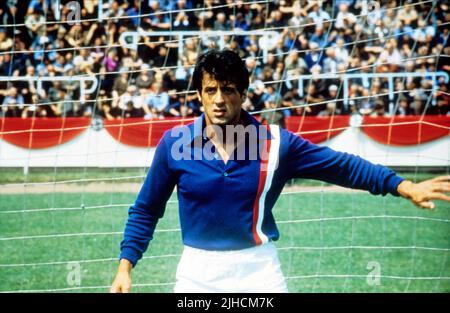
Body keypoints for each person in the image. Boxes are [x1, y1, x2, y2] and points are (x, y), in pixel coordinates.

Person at [110, 49, 450, 293]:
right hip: (198, 272)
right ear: (198, 95)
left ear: (242, 94)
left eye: (227, 90)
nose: (218, 99)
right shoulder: (175, 143)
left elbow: (343, 167)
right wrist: (125, 267)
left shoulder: (276, 143)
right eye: (210, 90)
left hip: (258, 271)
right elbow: (146, 209)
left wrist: (403, 186)